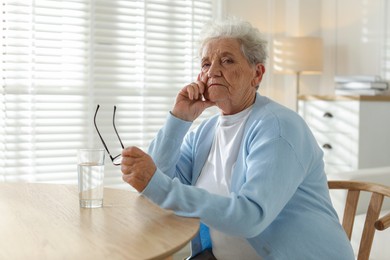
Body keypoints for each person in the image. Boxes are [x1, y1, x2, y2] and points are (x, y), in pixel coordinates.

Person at [120, 18, 354, 259]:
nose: (212, 72)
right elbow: (157, 183)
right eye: (206, 63)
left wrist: (156, 184)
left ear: (257, 73)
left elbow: (250, 217)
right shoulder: (205, 132)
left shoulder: (279, 128)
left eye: (227, 60)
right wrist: (178, 119)